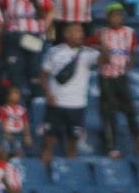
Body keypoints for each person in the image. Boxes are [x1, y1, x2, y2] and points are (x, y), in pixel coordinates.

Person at [97, 3, 139, 159]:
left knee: (131, 112)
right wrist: (102, 53)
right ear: (108, 18)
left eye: (120, 15)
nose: (117, 18)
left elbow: (134, 52)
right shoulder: (102, 33)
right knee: (109, 113)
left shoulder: (129, 33)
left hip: (122, 76)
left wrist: (131, 63)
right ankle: (112, 148)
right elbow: (95, 52)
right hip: (106, 77)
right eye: (114, 15)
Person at [40, 22, 99, 165]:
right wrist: (48, 94)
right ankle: (45, 162)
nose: (80, 34)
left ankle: (71, 164)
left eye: (81, 32)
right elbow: (43, 75)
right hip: (57, 101)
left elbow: (104, 60)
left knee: (73, 137)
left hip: (77, 103)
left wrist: (103, 45)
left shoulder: (88, 53)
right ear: (67, 34)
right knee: (50, 135)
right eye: (76, 31)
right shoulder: (54, 51)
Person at [0, 0, 53, 101]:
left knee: (35, 70)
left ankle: (36, 102)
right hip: (13, 38)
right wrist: (4, 25)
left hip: (33, 37)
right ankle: (18, 105)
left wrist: (43, 28)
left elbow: (51, 11)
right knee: (15, 72)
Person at [0, 84, 31, 158]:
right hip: (7, 133)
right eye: (15, 93)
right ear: (7, 96)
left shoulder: (21, 109)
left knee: (19, 150)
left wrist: (27, 136)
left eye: (18, 93)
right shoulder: (4, 109)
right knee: (5, 150)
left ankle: (18, 164)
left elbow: (25, 122)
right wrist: (6, 133)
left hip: (19, 134)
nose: (18, 95)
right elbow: (2, 122)